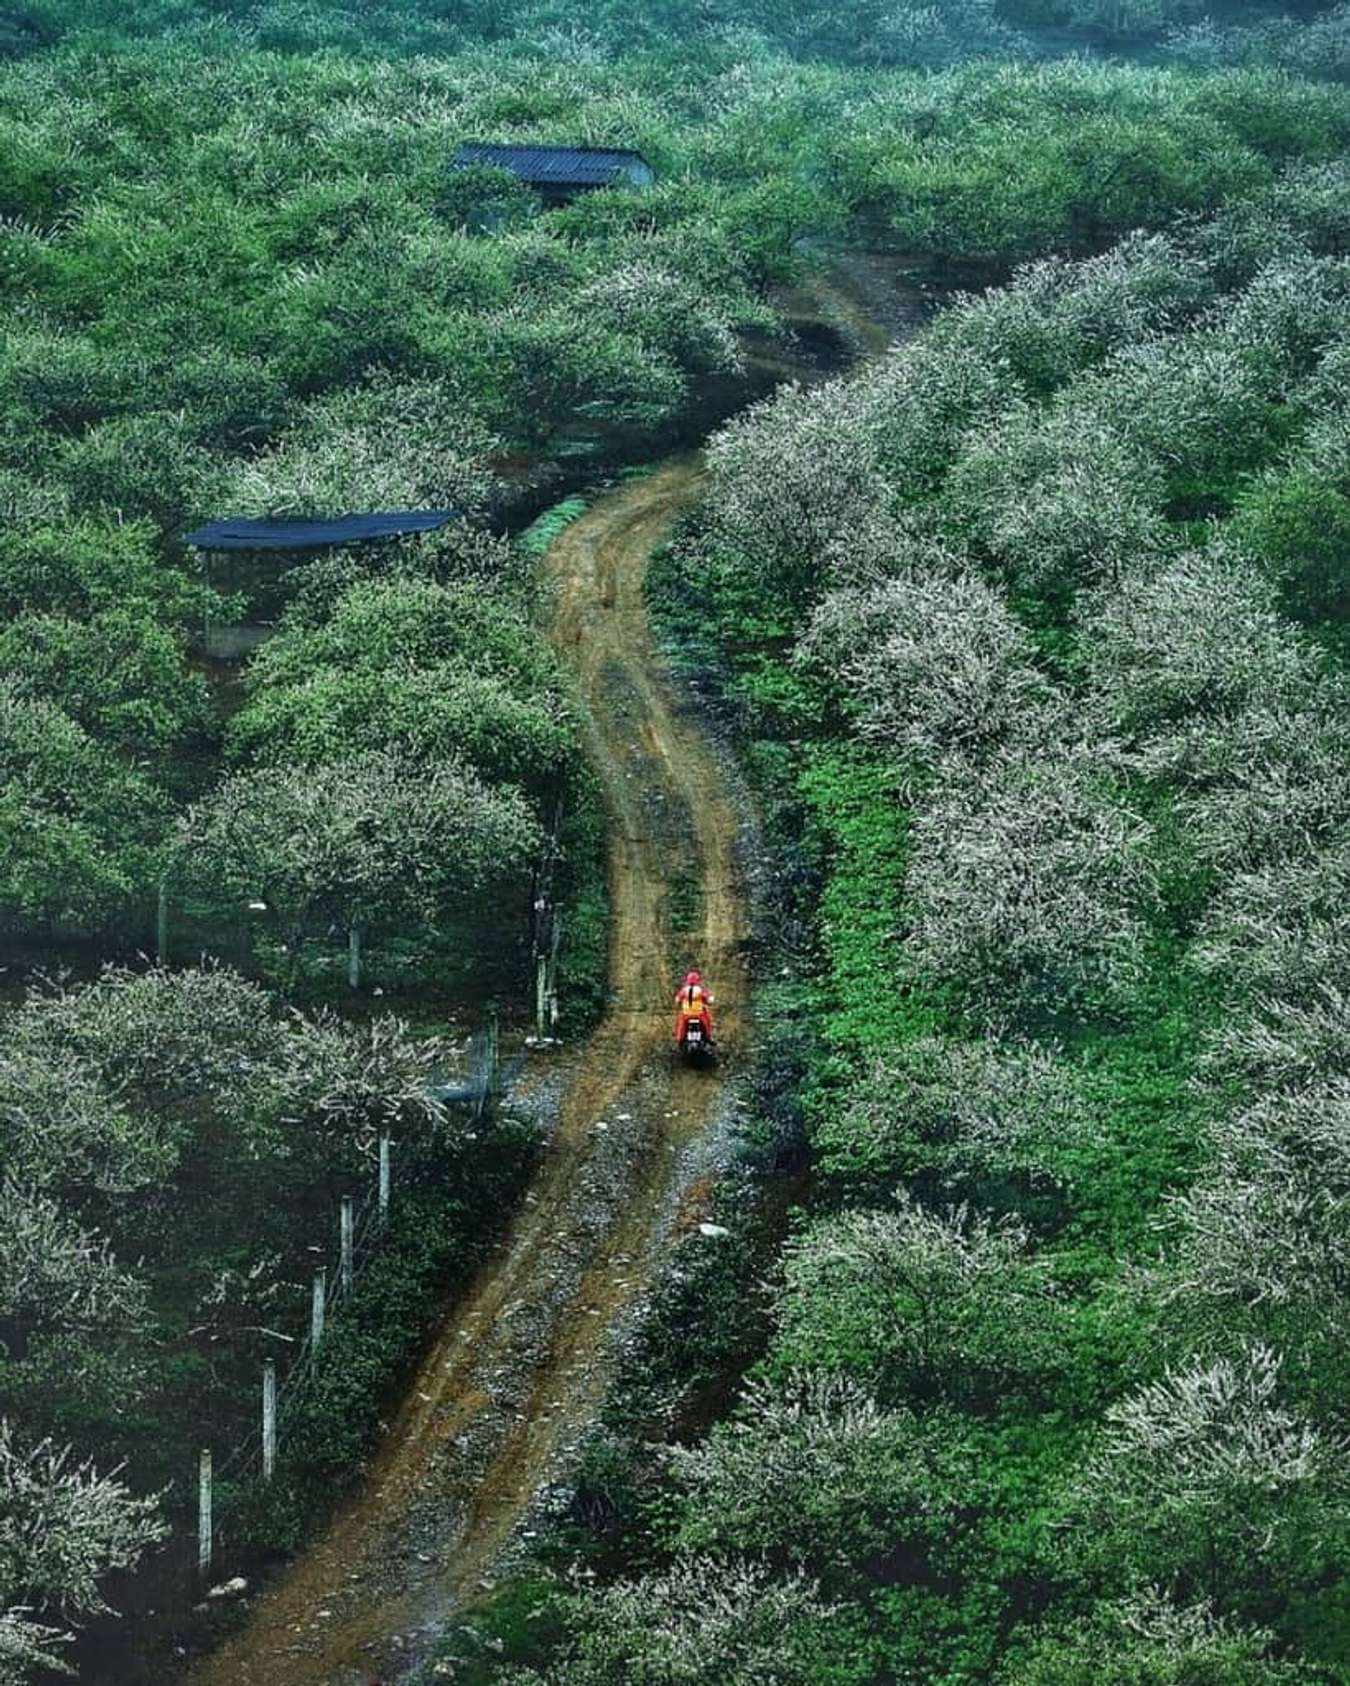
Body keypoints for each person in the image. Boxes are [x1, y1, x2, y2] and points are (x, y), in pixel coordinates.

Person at [674, 969, 714, 1046]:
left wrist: (680, 1002)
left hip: (686, 1014)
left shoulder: (684, 990)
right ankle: (709, 1037)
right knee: (707, 1022)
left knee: (680, 1024)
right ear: (698, 980)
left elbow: (677, 1000)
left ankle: (680, 1039)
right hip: (699, 1014)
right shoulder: (700, 990)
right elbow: (709, 1000)